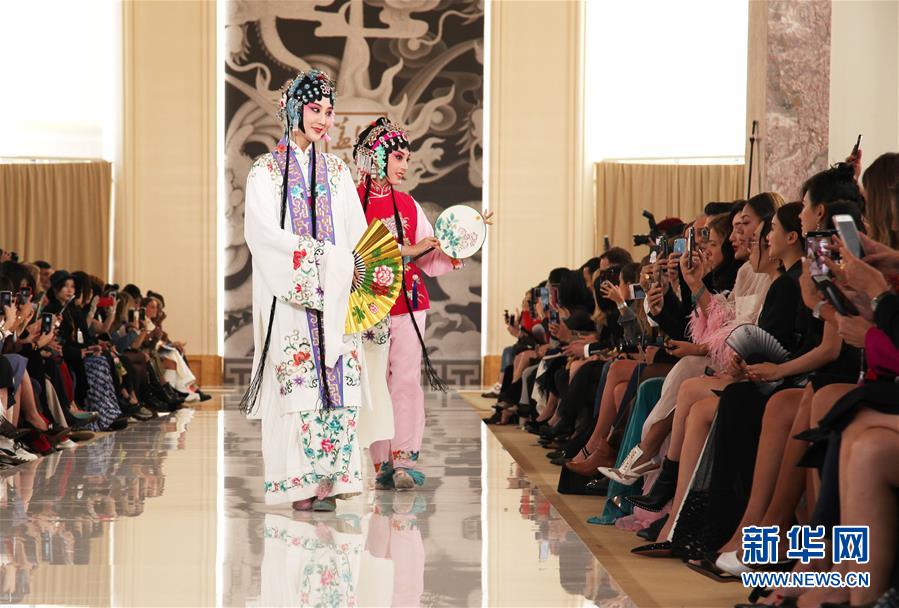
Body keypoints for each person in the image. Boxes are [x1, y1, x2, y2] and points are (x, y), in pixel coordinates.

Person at [241, 69, 370, 512]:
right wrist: (321, 261)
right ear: (293, 108)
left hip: (336, 300)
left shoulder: (337, 171)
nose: (323, 120)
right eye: (315, 109)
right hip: (291, 300)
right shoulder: (265, 171)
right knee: (297, 385)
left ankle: (333, 481)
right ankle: (299, 485)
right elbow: (262, 235)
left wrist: (355, 277)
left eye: (329, 112)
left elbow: (357, 235)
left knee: (340, 383)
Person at [352, 117, 492, 490]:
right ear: (377, 155)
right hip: (366, 304)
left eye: (407, 159)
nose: (404, 166)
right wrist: (409, 249)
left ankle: (404, 459)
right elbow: (352, 253)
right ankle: (380, 461)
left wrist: (459, 244)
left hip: (409, 303)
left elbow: (428, 255)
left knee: (406, 380)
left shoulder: (408, 204)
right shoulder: (349, 201)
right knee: (373, 382)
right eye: (398, 157)